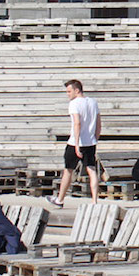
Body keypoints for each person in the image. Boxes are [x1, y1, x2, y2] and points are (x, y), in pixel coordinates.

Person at [48, 78, 101, 207]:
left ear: (77, 90)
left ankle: (60, 199)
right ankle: (94, 201)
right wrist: (95, 138)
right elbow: (99, 124)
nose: (68, 94)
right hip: (90, 142)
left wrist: (77, 145)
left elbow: (77, 123)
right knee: (92, 170)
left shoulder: (74, 103)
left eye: (69, 91)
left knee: (68, 170)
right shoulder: (93, 102)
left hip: (75, 142)